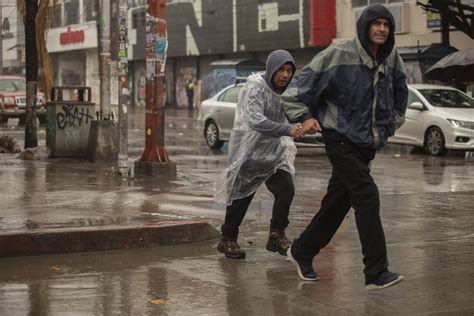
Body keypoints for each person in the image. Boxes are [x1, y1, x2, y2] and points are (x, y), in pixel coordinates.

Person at [282, 4, 408, 290]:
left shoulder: (393, 60)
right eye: (375, 24)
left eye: (386, 24)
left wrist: (389, 126)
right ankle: (376, 271)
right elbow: (293, 92)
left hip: (366, 144)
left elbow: (401, 98)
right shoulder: (338, 54)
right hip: (339, 138)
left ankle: (301, 250)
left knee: (337, 205)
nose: (381, 29)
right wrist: (306, 118)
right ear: (364, 26)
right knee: (366, 194)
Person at [214, 50, 304, 259]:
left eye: (289, 70)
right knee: (241, 197)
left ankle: (276, 235)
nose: (285, 75)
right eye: (281, 70)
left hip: (274, 151)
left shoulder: (287, 91)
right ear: (271, 68)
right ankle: (227, 239)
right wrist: (288, 129)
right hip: (249, 151)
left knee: (286, 189)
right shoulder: (255, 87)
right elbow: (254, 119)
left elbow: (297, 109)